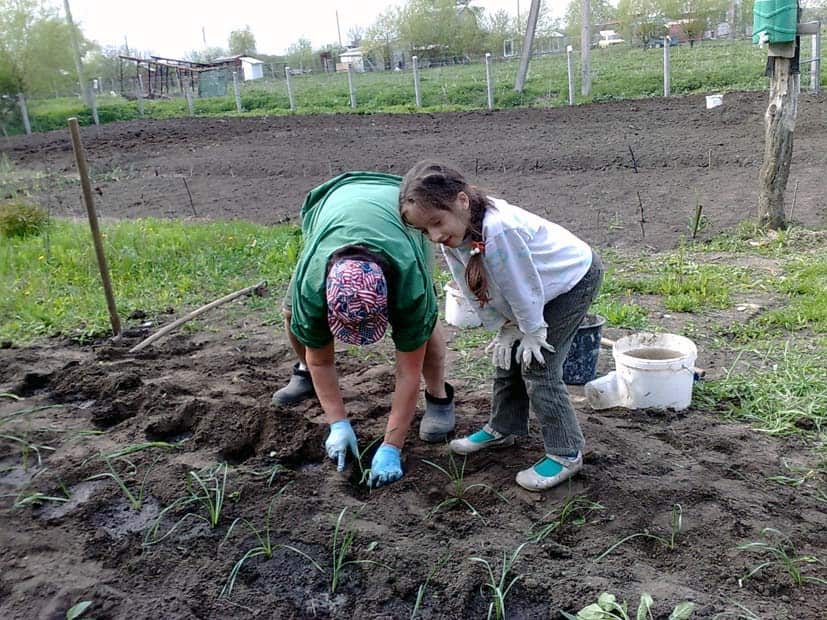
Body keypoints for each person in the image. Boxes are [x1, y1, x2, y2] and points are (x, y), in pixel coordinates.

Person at [398, 161, 603, 491]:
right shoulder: (454, 235)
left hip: (571, 279)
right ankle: (504, 427)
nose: (434, 236)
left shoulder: (499, 229)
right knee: (508, 357)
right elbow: (469, 285)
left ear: (462, 201)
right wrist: (503, 326)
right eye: (425, 231)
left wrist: (532, 330)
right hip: (537, 288)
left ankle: (566, 452)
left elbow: (521, 286)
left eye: (436, 222)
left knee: (538, 366)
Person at [271, 171, 455, 488]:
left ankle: (439, 398)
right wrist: (338, 423)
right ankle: (303, 375)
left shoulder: (408, 283)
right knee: (292, 315)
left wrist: (391, 446)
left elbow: (406, 372)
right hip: (335, 203)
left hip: (398, 209)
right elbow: (322, 359)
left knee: (424, 327)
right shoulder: (311, 285)